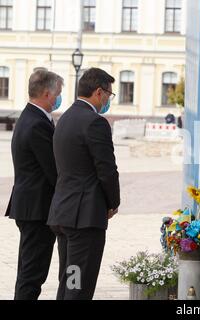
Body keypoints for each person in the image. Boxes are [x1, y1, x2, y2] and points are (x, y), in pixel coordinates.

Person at [48, 68, 121, 300]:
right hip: (85, 218)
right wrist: (113, 203)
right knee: (79, 285)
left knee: (70, 279)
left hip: (64, 213)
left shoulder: (65, 118)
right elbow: (106, 169)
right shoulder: (95, 122)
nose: (109, 100)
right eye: (109, 94)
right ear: (98, 92)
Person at [5, 69, 64, 300]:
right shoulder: (37, 123)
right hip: (36, 209)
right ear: (48, 94)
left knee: (29, 271)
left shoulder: (31, 117)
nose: (59, 97)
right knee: (32, 274)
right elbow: (53, 169)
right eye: (58, 93)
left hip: (31, 207)